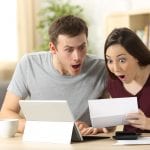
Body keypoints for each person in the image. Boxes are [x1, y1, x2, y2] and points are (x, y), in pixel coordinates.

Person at [0, 15, 108, 135]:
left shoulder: (101, 68)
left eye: (82, 47)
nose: (77, 57)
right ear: (53, 48)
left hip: (85, 143)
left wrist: (95, 128)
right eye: (69, 49)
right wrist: (40, 128)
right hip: (41, 140)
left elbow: (109, 122)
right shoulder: (29, 64)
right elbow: (6, 112)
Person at [104, 27, 150, 133]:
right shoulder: (114, 83)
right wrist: (102, 127)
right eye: (110, 60)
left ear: (136, 56)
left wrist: (148, 123)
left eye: (122, 60)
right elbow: (115, 123)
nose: (115, 69)